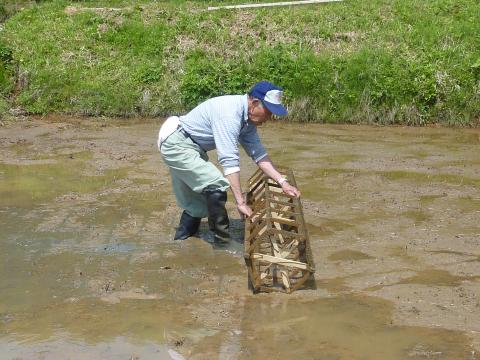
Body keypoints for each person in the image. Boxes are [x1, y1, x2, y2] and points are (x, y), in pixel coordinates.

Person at [157, 81, 300, 246]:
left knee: (197, 207)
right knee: (216, 185)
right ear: (254, 104)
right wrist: (240, 203)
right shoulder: (229, 115)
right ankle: (222, 243)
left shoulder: (247, 120)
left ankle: (180, 244)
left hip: (190, 146)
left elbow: (259, 154)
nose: (269, 118)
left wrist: (283, 182)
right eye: (268, 112)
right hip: (177, 143)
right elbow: (229, 161)